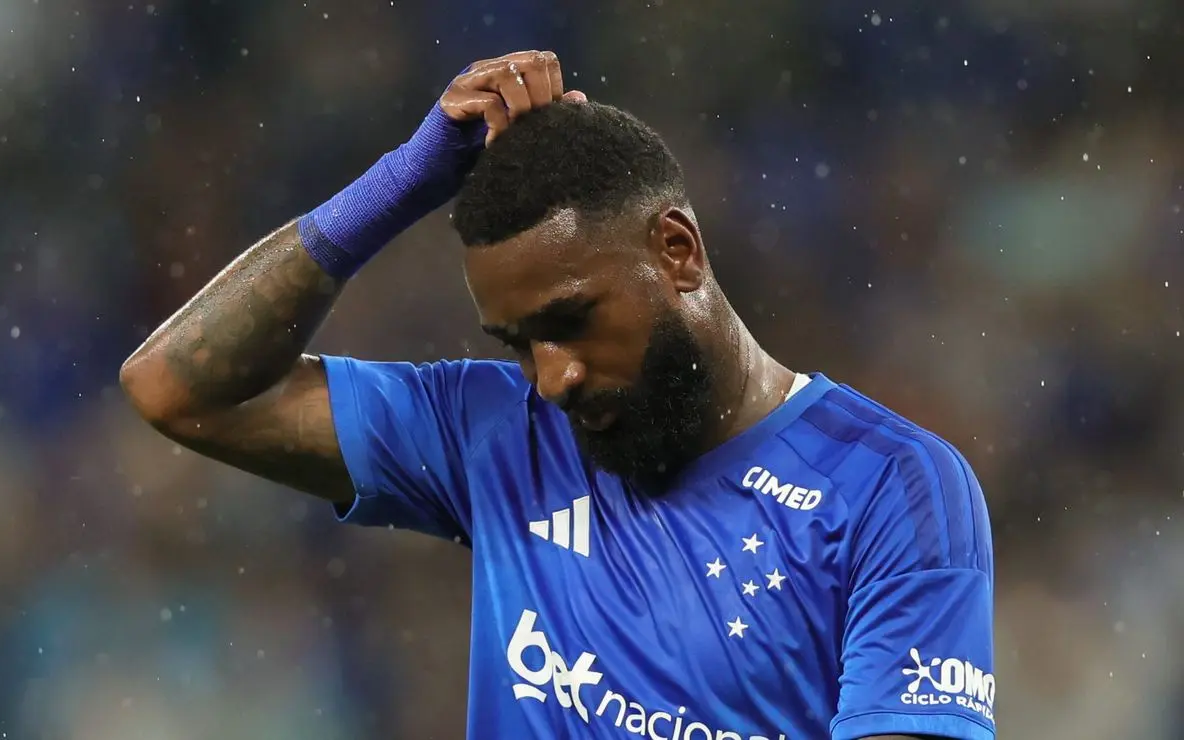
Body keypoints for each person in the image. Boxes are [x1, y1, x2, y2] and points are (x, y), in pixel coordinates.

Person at [121, 50, 996, 740]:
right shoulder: (498, 434)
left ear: (678, 251)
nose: (553, 376)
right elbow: (176, 388)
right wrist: (397, 186)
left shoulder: (890, 486)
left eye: (571, 321)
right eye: (517, 343)